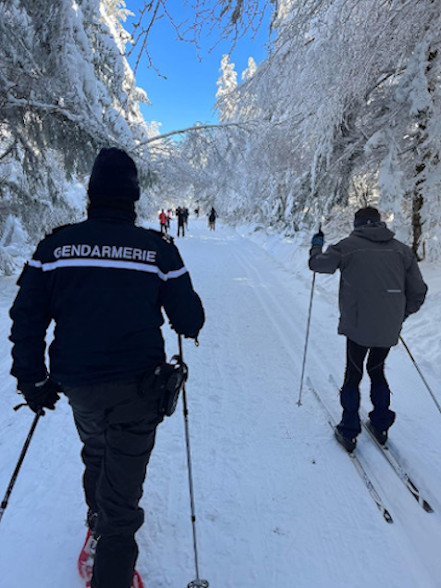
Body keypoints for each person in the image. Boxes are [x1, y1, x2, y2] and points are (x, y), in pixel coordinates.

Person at [9, 147, 205, 588]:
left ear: (91, 193)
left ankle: (97, 526)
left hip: (78, 384)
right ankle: (110, 555)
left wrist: (32, 379)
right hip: (139, 389)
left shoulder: (54, 246)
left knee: (96, 449)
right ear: (133, 197)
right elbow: (189, 320)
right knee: (124, 490)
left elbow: (27, 316)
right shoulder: (157, 250)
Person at [309, 206, 427, 453]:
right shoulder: (402, 250)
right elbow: (418, 292)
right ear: (378, 223)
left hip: (358, 324)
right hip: (388, 327)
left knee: (353, 373)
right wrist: (399, 315)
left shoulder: (347, 246)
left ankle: (349, 430)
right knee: (376, 369)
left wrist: (316, 246)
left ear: (357, 224)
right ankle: (381, 424)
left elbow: (319, 265)